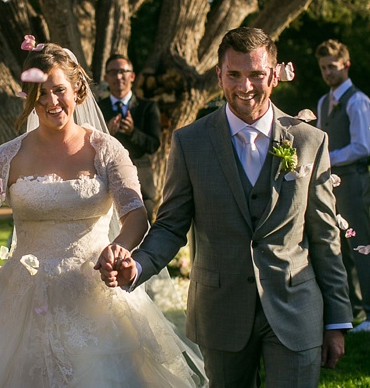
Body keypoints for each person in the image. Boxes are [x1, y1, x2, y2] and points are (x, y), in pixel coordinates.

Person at [98, 27, 352, 385]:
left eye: (256, 75)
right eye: (234, 75)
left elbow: (325, 237)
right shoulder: (190, 143)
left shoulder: (310, 141)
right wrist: (137, 265)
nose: (245, 87)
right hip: (220, 311)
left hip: (296, 308)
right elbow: (171, 226)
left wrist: (337, 320)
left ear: (274, 75)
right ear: (219, 75)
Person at [0, 43, 204, 387]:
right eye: (41, 94)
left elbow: (136, 214)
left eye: (59, 91)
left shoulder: (106, 149)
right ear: (28, 97)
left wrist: (119, 248)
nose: (52, 102)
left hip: (94, 291)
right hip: (25, 295)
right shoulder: (6, 156)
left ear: (77, 91)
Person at [315, 39, 370, 331]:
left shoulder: (358, 101)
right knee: (338, 245)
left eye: (333, 67)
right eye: (323, 68)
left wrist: (327, 158)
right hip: (329, 184)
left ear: (346, 65)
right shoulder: (324, 102)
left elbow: (363, 146)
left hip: (354, 180)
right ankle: (351, 308)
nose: (328, 73)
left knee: (361, 242)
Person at [98, 54, 162, 220]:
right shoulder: (98, 109)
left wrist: (133, 133)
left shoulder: (148, 107)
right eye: (113, 72)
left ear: (132, 76)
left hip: (141, 185)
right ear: (106, 77)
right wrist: (107, 135)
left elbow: (154, 144)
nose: (118, 76)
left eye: (123, 71)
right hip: (105, 186)